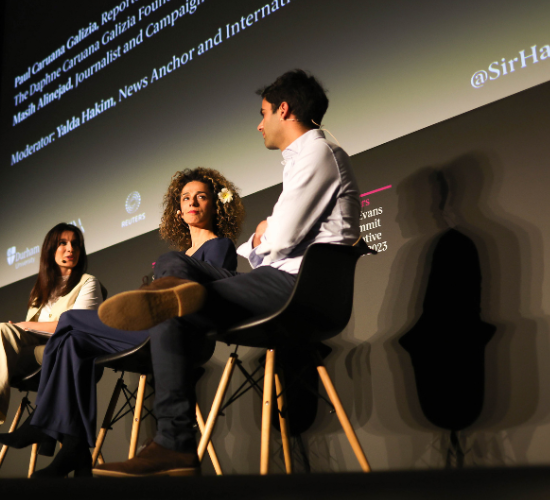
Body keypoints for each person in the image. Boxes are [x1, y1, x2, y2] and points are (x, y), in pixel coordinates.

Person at [92, 69, 362, 477]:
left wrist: (261, 237)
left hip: (295, 288)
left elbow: (282, 236)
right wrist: (263, 237)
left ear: (284, 109)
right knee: (174, 265)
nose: (259, 124)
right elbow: (274, 238)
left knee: (173, 298)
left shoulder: (317, 153)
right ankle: (171, 293)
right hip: (274, 279)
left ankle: (174, 443)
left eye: (264, 113)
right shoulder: (306, 158)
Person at [0, 167, 245, 478]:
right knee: (72, 341)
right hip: (153, 330)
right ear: (178, 212)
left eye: (201, 197)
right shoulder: (180, 255)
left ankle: (43, 422)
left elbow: (206, 298)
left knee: (70, 319)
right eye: (186, 198)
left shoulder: (219, 245)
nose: (192, 202)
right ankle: (74, 447)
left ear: (214, 205)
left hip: (180, 335)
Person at [0, 223, 103, 478]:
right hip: (37, 359)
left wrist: (26, 325)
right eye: (63, 243)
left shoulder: (87, 283)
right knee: (2, 339)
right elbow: (28, 338)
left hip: (65, 356)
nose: (70, 249)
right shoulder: (41, 292)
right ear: (50, 249)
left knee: (7, 332)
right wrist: (23, 328)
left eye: (75, 244)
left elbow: (77, 327)